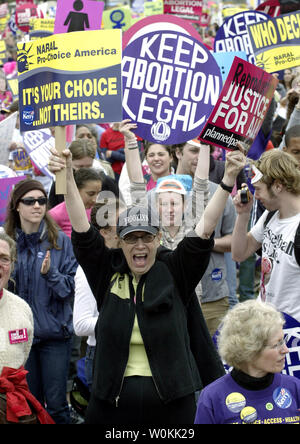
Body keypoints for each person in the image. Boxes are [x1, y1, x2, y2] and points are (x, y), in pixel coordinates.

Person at [48, 123, 246, 424]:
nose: (139, 245)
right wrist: (66, 177)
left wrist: (229, 178)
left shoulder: (175, 270)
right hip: (110, 403)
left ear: (158, 239)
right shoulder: (106, 271)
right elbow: (81, 228)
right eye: (130, 238)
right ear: (119, 242)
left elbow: (205, 227)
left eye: (146, 237)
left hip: (172, 404)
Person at [4, 179, 78, 424]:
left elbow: (70, 290)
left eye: (42, 201)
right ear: (17, 206)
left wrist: (51, 274)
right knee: (27, 406)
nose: (37, 206)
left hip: (54, 335)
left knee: (57, 406)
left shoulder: (60, 241)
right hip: (19, 336)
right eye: (29, 201)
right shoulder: (7, 244)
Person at [194, 300, 300, 424]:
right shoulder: (213, 397)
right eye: (277, 344)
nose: (286, 350)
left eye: (284, 341)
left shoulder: (294, 388)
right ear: (249, 350)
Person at [231, 150, 300, 323]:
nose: (257, 195)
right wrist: (243, 215)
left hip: (293, 330)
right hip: (267, 322)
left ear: (277, 186)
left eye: (259, 189)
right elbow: (239, 254)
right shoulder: (271, 215)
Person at [0, 231, 54, 424]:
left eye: (4, 259)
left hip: (11, 408)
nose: (0, 264)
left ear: (11, 265)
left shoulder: (21, 309)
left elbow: (23, 355)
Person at [73, 198, 125, 391]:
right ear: (105, 232)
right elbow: (80, 324)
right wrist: (129, 320)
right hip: (104, 355)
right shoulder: (88, 270)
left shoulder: (135, 261)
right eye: (121, 222)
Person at [49, 168, 102, 238]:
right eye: (91, 194)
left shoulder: (99, 211)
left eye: (98, 194)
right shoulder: (55, 214)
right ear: (75, 190)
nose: (95, 199)